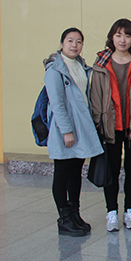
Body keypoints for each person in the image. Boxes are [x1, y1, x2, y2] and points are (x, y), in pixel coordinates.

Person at [44, 28, 102, 236]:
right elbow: (57, 103)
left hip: (81, 127)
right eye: (70, 41)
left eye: (78, 41)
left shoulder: (80, 65)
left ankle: (75, 214)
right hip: (65, 128)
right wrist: (66, 131)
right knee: (62, 172)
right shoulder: (55, 69)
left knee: (76, 172)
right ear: (62, 44)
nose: (74, 45)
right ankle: (64, 218)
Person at [90, 18, 131, 233]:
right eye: (119, 35)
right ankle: (111, 211)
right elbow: (95, 96)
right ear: (112, 37)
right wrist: (98, 123)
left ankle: (130, 210)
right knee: (110, 170)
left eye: (127, 36)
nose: (123, 40)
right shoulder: (102, 63)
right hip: (110, 125)